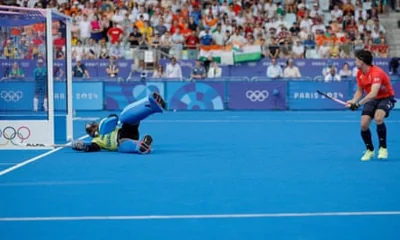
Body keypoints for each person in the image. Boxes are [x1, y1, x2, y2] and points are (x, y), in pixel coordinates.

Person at [71, 92, 166, 154]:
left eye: (93, 127)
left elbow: (114, 117)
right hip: (123, 141)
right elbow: (93, 147)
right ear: (90, 134)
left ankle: (152, 107)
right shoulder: (96, 141)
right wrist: (84, 147)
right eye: (91, 130)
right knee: (121, 147)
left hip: (125, 130)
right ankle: (140, 146)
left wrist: (112, 120)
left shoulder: (104, 123)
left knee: (124, 116)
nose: (94, 130)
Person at [346, 50, 396, 161]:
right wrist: (353, 101)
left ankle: (383, 148)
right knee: (364, 124)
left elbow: (373, 93)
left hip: (386, 97)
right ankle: (370, 150)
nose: (355, 62)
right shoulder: (359, 73)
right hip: (372, 100)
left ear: (362, 61)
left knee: (378, 118)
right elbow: (359, 91)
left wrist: (358, 104)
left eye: (356, 60)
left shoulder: (376, 73)